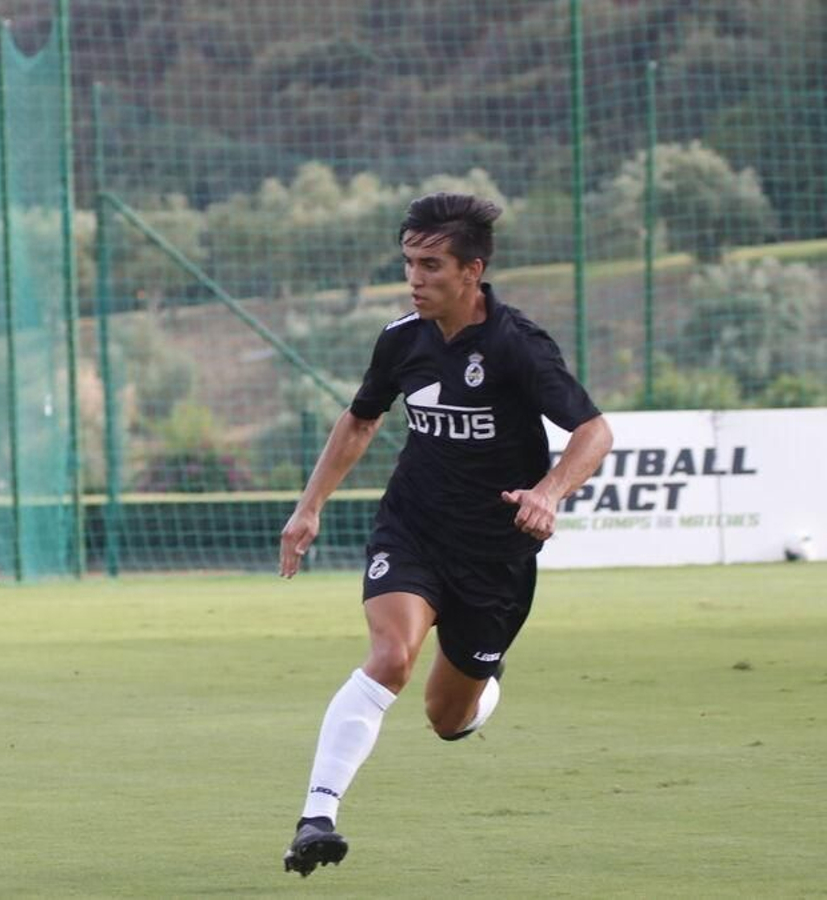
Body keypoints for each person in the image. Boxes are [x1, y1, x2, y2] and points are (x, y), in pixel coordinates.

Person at [277, 193, 613, 877]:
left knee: (447, 716)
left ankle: (483, 684)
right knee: (391, 656)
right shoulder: (402, 340)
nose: (415, 278)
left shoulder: (518, 346)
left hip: (496, 556)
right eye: (408, 263)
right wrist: (309, 506)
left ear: (472, 270)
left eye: (431, 265)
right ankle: (318, 816)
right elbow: (361, 420)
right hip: (414, 529)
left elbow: (594, 431)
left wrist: (549, 492)